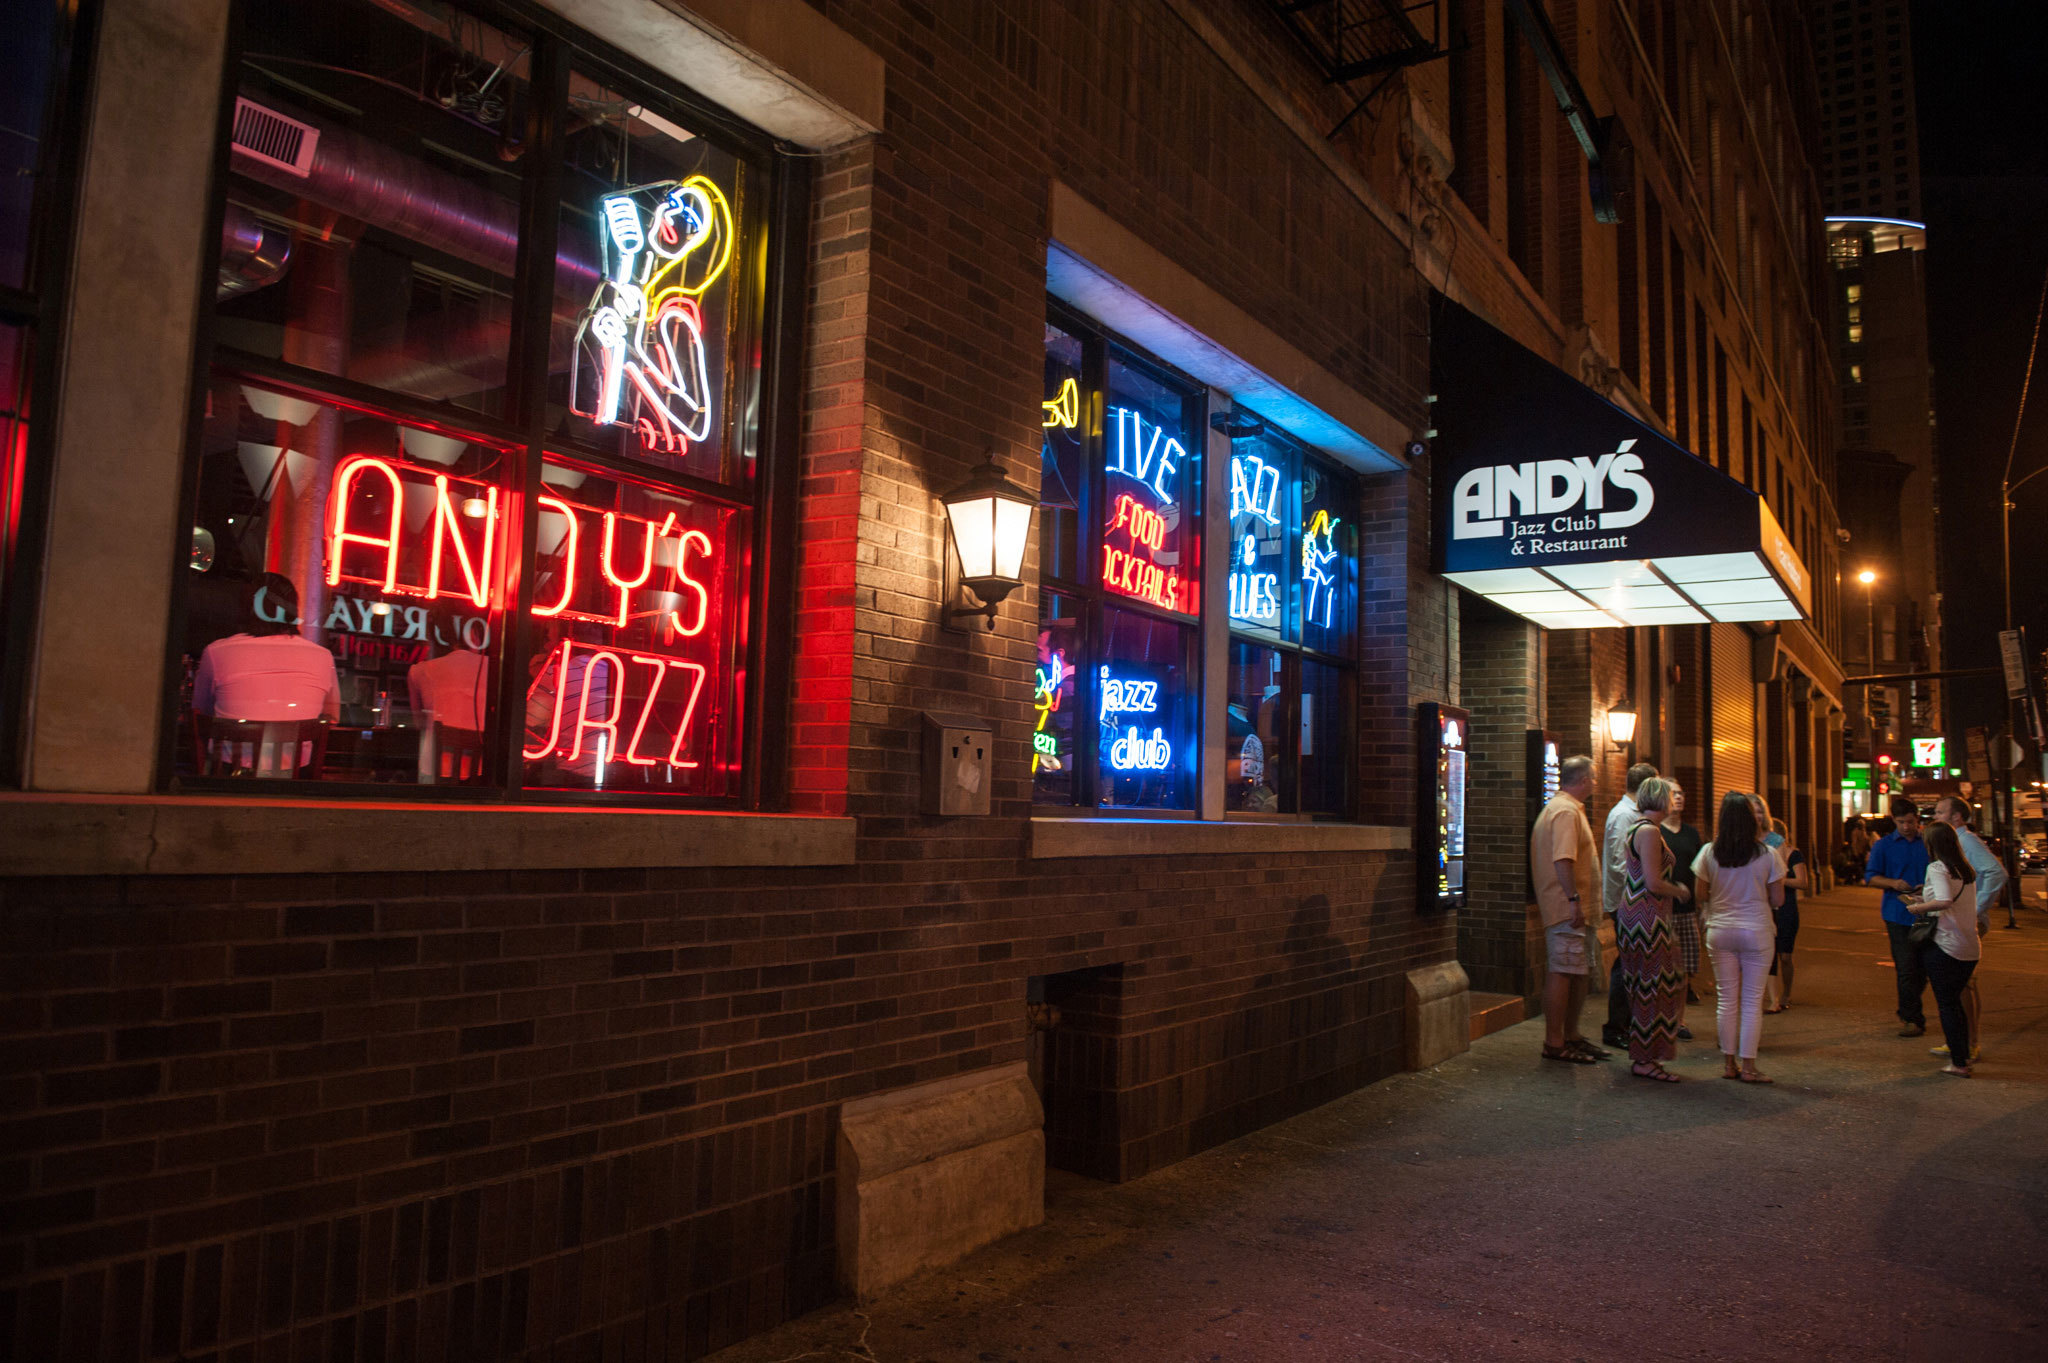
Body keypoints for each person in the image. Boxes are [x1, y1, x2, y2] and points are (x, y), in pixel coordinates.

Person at [1693, 791, 1785, 1083]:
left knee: (1726, 999)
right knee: (1751, 1001)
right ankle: (1749, 1066)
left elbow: (1699, 894)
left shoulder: (1709, 852)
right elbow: (1777, 898)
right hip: (1756, 930)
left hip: (1720, 930)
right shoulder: (1768, 855)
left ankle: (1728, 1064)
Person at [1534, 755, 1608, 1064]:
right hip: (1567, 910)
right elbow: (1563, 859)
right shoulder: (1564, 812)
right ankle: (1554, 1041)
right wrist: (1573, 899)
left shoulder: (1568, 809)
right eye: (1594, 777)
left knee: (1577, 973)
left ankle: (1571, 1035)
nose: (1597, 782)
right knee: (1564, 971)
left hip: (1577, 910)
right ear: (1584, 780)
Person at [191, 573, 341, 723]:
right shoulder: (322, 656)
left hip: (232, 744)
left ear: (247, 607)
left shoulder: (217, 653)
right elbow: (331, 720)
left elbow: (200, 714)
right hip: (296, 747)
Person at [1618, 777, 1690, 1081]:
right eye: (1670, 795)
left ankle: (1648, 1054)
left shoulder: (1643, 828)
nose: (1675, 800)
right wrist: (1680, 891)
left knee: (1655, 985)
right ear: (1658, 799)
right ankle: (1644, 1058)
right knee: (1652, 987)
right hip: (1646, 919)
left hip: (1643, 916)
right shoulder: (1647, 831)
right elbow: (1652, 882)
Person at [1933, 795, 2005, 1064]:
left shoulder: (1967, 841)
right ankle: (1959, 1040)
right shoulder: (1957, 842)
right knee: (1959, 985)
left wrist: (1976, 908)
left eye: (1941, 812)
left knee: (1964, 983)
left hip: (1967, 922)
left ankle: (1969, 1043)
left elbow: (1997, 872)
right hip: (1960, 920)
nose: (1936, 817)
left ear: (1956, 818)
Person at [1908, 822, 1981, 1078]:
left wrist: (1918, 908)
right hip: (1970, 946)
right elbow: (1948, 900)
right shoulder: (1965, 870)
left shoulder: (1937, 867)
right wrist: (1925, 900)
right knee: (1956, 1003)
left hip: (1945, 945)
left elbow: (1945, 901)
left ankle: (1958, 1062)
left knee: (1948, 1006)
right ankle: (1964, 1053)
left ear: (1932, 844)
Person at [1600, 761, 1660, 1050]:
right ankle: (1616, 1026)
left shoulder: (1632, 814)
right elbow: (1621, 863)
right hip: (1627, 902)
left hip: (1631, 900)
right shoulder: (1624, 816)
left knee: (1630, 962)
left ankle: (1625, 1024)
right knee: (1625, 964)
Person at [1865, 796, 1932, 1036]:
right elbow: (1871, 877)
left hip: (1927, 910)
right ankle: (1911, 1017)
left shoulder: (1927, 842)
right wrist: (1894, 883)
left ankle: (1911, 1008)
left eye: (1911, 822)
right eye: (1902, 822)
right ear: (1894, 820)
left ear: (1918, 819)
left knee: (1925, 966)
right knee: (1905, 967)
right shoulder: (1883, 846)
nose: (1906, 827)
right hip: (1897, 913)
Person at [1659, 781, 1707, 1035]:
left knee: (1684, 969)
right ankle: (1663, 1018)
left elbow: (1699, 872)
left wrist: (1701, 906)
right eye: (1673, 793)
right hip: (1663, 910)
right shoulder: (1655, 832)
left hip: (1687, 910)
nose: (1678, 797)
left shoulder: (1691, 833)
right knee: (1663, 969)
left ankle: (1679, 1021)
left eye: (1681, 793)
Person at [1764, 819, 1808, 1013]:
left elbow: (1802, 882)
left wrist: (1779, 881)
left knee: (1785, 956)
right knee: (1770, 954)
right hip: (1769, 909)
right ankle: (1773, 997)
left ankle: (1787, 992)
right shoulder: (1765, 856)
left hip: (1788, 909)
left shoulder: (1794, 855)